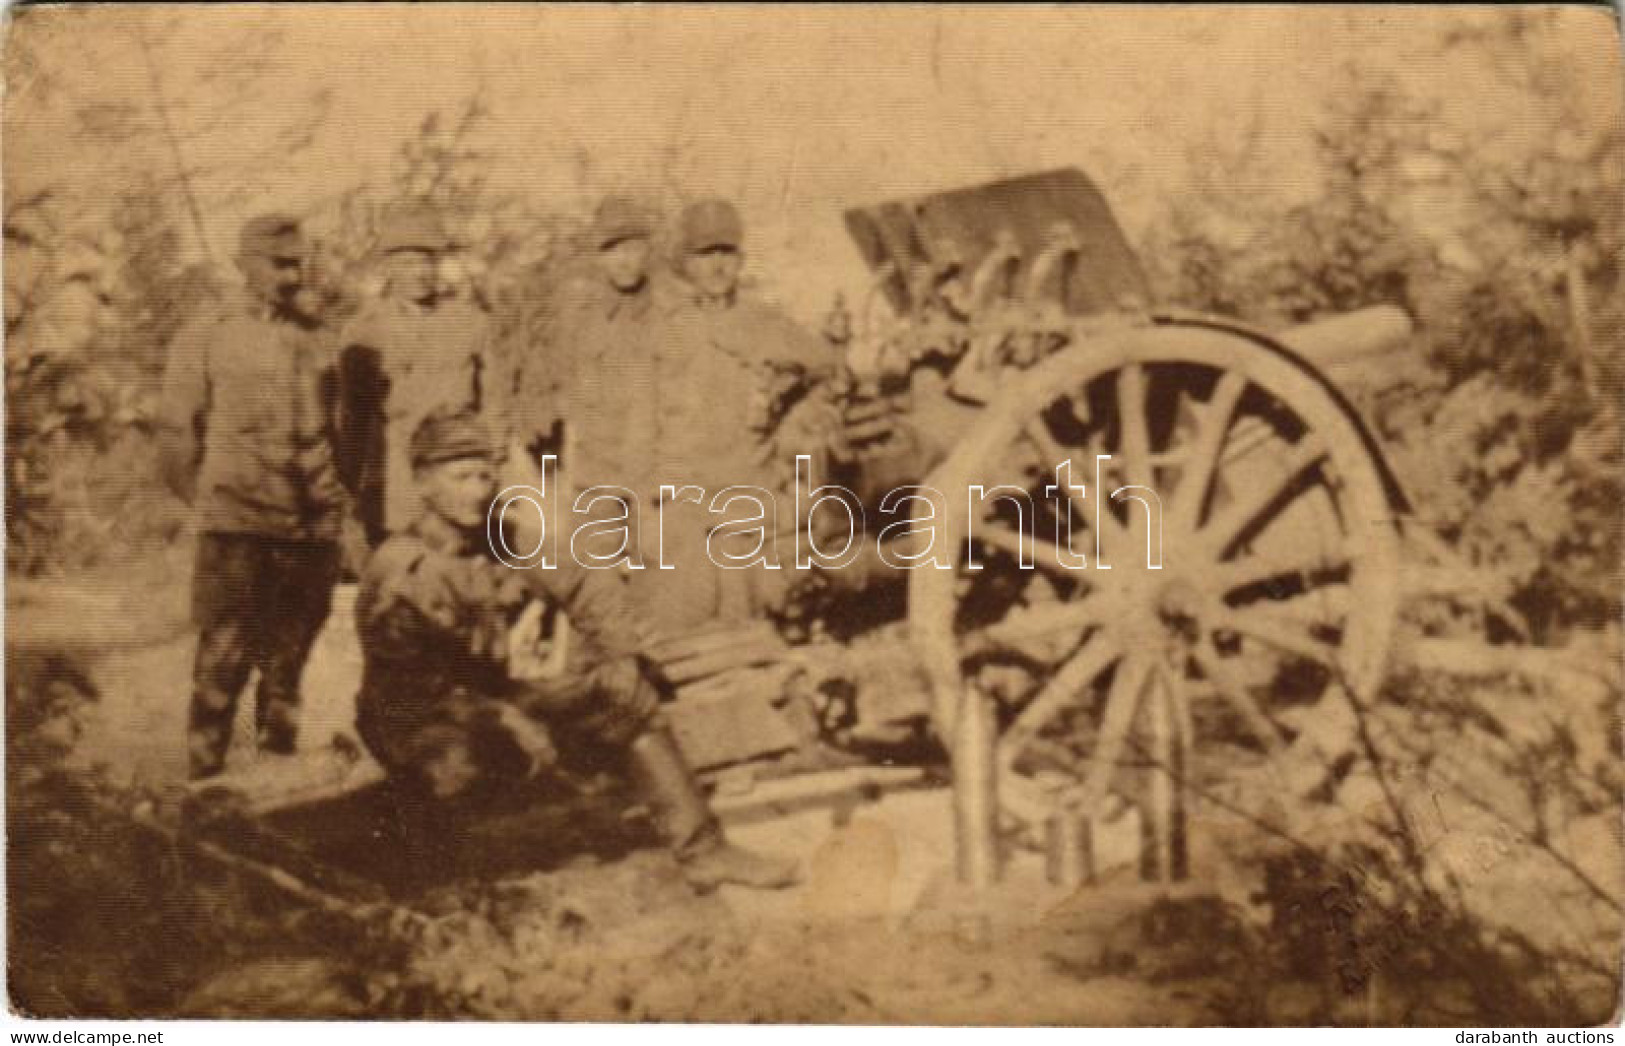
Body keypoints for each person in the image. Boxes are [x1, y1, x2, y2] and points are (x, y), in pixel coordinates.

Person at [353, 406, 799, 891]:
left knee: (627, 701)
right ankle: (440, 881)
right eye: (461, 478)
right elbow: (409, 689)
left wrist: (621, 657)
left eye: (485, 476)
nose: (478, 492)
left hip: (496, 697)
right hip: (415, 715)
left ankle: (704, 852)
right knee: (452, 765)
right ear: (423, 484)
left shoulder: (504, 537)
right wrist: (509, 720)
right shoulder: (401, 572)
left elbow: (586, 584)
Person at [157, 214, 345, 780]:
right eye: (276, 263)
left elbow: (339, 430)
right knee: (223, 658)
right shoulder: (204, 335)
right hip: (236, 525)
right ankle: (204, 780)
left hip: (310, 528)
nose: (290, 276)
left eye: (296, 263)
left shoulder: (317, 339)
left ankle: (275, 780)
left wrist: (333, 504)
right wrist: (210, 502)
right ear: (243, 263)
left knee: (288, 663)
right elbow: (174, 433)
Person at [640, 198, 838, 630]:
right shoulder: (660, 329)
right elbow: (636, 419)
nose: (717, 266)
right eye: (705, 254)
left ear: (741, 259)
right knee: (682, 620)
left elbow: (830, 375)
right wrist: (643, 505)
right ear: (684, 262)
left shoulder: (768, 323)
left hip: (750, 489)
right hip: (681, 501)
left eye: (726, 253)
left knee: (754, 618)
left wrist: (800, 422)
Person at [337, 202, 496, 544]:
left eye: (428, 261)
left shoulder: (470, 322)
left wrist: (492, 466)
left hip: (462, 475)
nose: (420, 272)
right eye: (408, 262)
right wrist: (350, 488)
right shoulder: (365, 330)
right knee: (402, 575)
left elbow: (495, 403)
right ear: (388, 268)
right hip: (399, 480)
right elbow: (354, 420)